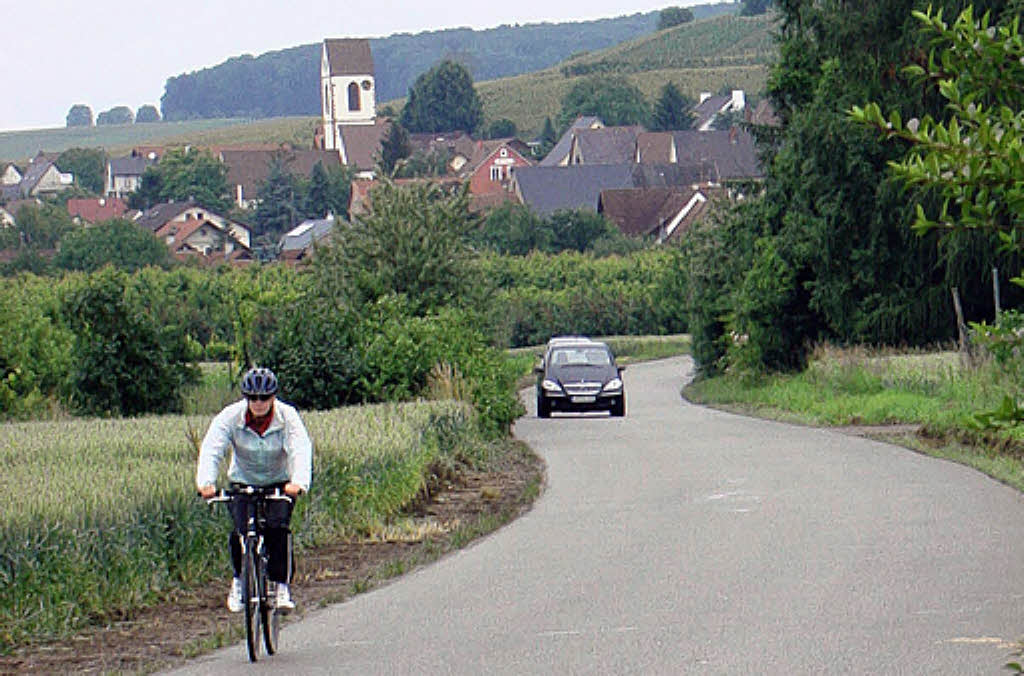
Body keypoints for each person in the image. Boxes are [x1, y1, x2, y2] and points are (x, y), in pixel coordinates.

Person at [196, 366, 313, 613]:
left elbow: (300, 447)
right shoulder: (230, 417)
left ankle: (281, 587)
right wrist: (206, 482)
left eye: (264, 397)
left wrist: (298, 482)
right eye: (253, 398)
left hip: (278, 482)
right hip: (243, 480)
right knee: (240, 531)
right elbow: (212, 447)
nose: (258, 403)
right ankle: (239, 582)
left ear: (273, 397)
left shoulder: (287, 416)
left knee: (277, 529)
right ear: (245, 398)